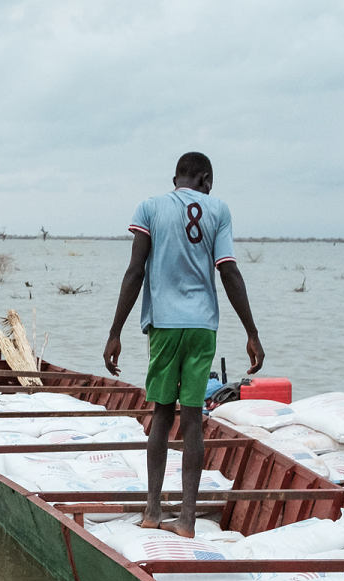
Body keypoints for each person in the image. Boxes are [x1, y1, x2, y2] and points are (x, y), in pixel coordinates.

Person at [104, 152, 264, 539]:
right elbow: (229, 271)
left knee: (161, 414)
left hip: (164, 325)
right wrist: (252, 332)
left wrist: (115, 332)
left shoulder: (150, 208)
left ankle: (152, 510)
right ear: (206, 180)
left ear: (176, 178)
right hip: (202, 326)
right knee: (193, 419)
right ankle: (188, 520)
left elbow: (135, 271)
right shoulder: (218, 210)